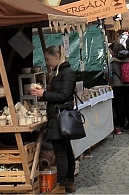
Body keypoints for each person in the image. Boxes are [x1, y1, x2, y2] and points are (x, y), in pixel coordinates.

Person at [30, 46, 77, 193]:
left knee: (61, 153)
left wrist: (44, 94)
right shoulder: (62, 72)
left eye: (48, 59)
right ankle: (69, 182)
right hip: (59, 116)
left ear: (56, 56)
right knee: (67, 151)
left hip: (59, 117)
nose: (47, 62)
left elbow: (63, 95)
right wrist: (46, 92)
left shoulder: (66, 72)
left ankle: (61, 185)